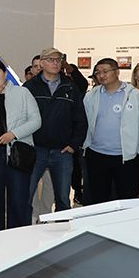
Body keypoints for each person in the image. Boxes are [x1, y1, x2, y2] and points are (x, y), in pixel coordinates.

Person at [0, 60, 41, 233]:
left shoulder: (22, 93)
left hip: (18, 153)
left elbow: (36, 120)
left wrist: (13, 133)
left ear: (5, 74)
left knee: (18, 200)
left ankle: (17, 236)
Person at [23, 48, 87, 215]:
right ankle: (25, 228)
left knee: (63, 200)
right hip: (36, 150)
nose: (55, 63)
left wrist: (73, 145)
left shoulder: (70, 87)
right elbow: (21, 118)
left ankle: (60, 230)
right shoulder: (30, 87)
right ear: (41, 63)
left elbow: (80, 120)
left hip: (62, 151)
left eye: (58, 60)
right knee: (26, 196)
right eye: (50, 59)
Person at [82, 58, 139, 204]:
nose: (101, 75)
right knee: (98, 199)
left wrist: (138, 150)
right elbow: (84, 122)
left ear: (117, 72)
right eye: (98, 72)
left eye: (105, 71)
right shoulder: (91, 95)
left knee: (127, 197)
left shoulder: (134, 95)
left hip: (125, 156)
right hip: (97, 154)